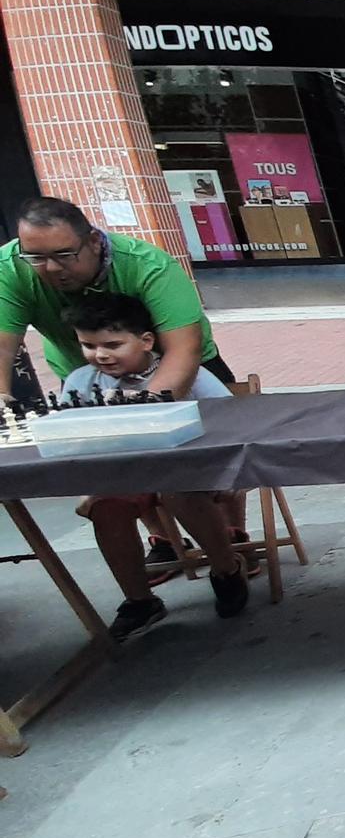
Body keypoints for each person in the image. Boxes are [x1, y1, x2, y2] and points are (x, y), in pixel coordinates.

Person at [2, 195, 246, 568]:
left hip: (177, 358)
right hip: (85, 370)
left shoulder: (148, 266)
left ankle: (231, 539)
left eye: (64, 255)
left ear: (95, 241)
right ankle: (163, 538)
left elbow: (182, 352)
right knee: (119, 478)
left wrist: (140, 419)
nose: (50, 268)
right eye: (35, 257)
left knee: (198, 458)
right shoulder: (9, 269)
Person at [59, 292, 247, 640]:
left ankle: (226, 569)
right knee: (106, 507)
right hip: (124, 476)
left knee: (178, 491)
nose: (100, 355)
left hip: (191, 473)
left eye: (112, 344)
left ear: (146, 341)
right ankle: (140, 599)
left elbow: (233, 422)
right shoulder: (81, 384)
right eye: (88, 345)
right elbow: (74, 436)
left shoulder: (188, 375)